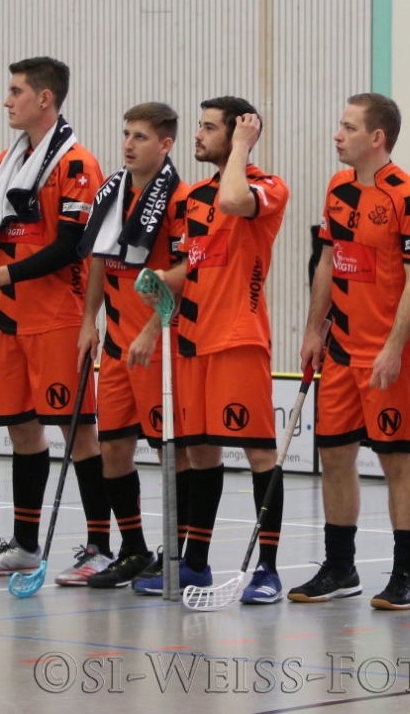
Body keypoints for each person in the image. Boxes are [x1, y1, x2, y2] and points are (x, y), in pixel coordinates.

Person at [0, 57, 107, 583]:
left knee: (78, 435)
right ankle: (26, 545)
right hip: (11, 318)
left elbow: (70, 245)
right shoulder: (7, 159)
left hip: (57, 318)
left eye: (15, 92)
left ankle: (100, 547)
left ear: (44, 98)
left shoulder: (76, 164)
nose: (7, 101)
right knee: (22, 432)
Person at [132, 97, 290, 603]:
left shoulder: (266, 187)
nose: (197, 135)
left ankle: (267, 570)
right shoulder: (192, 197)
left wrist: (241, 147)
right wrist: (161, 284)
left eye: (208, 128)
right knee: (199, 453)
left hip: (237, 338)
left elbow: (234, 201)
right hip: (190, 341)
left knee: (259, 453)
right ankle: (195, 564)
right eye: (198, 126)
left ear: (239, 132)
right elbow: (192, 266)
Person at [294, 94, 410, 609]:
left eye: (349, 127)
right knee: (333, 455)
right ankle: (339, 567)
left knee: (395, 459)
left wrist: (394, 347)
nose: (338, 135)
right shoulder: (338, 187)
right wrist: (314, 330)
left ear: (377, 137)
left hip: (389, 352)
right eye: (340, 125)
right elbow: (328, 260)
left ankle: (407, 575)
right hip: (341, 348)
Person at [75, 102, 189, 589]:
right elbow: (99, 260)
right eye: (126, 134)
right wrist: (89, 321)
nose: (128, 144)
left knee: (170, 452)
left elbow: (187, 271)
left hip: (158, 344)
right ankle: (133, 548)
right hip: (116, 344)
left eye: (140, 137)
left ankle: (177, 552)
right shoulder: (112, 191)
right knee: (113, 447)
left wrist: (153, 328)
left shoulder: (179, 199)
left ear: (165, 145)